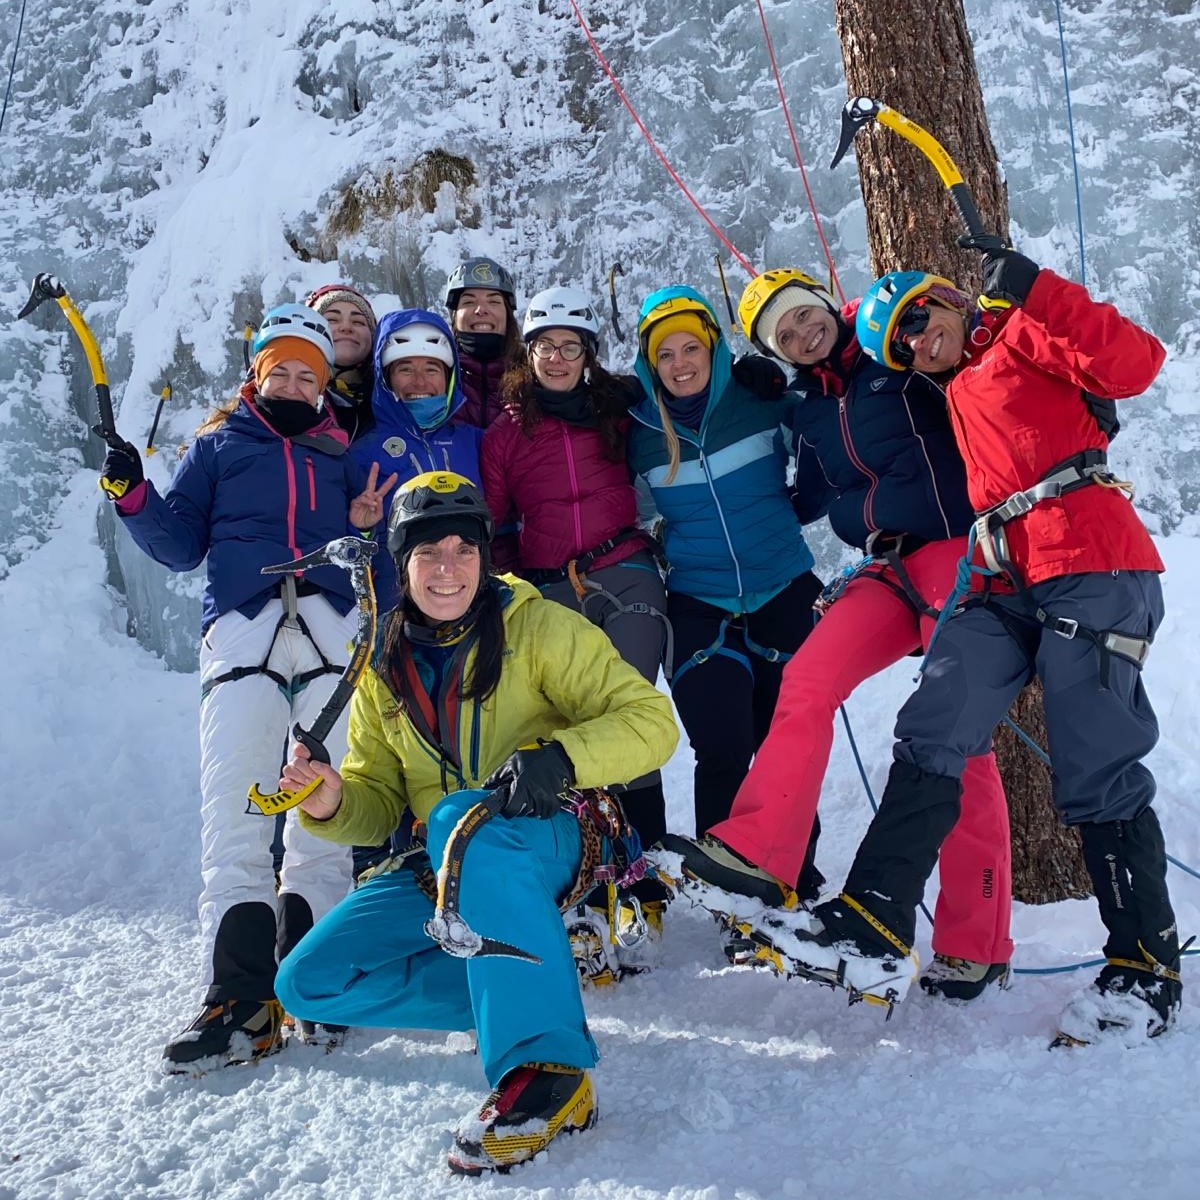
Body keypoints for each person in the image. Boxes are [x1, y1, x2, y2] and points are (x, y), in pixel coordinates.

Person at [727, 250, 1181, 1044]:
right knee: (934, 726)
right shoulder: (943, 388)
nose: (917, 343)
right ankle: (874, 917)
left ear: (947, 300)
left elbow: (1134, 364)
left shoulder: (1017, 336)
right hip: (1002, 577)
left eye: (919, 321)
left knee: (1095, 763)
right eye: (899, 345)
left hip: (1089, 556)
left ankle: (1145, 967)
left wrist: (1035, 291)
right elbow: (853, 429)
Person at [272, 471, 678, 1174]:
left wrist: (559, 757)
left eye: (465, 548)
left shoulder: (539, 626)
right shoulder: (383, 666)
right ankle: (528, 975)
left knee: (464, 816)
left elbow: (652, 723)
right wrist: (331, 802)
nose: (448, 567)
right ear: (403, 566)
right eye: (429, 552)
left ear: (488, 557)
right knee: (308, 980)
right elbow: (376, 796)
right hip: (444, 860)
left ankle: (551, 1073)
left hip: (552, 834)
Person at [657, 269, 1014, 1000]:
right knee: (807, 681)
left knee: (957, 741)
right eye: (782, 335)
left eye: (803, 317)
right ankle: (761, 853)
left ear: (828, 304)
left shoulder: (890, 354)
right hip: (885, 566)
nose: (800, 334)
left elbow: (964, 360)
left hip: (956, 549)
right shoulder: (812, 409)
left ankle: (976, 942)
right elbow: (811, 492)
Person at [98, 303, 397, 1071]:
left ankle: (314, 986)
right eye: (282, 370)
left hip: (332, 634)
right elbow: (177, 543)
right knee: (236, 809)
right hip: (242, 629)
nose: (295, 382)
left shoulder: (347, 454)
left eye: (309, 372)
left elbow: (384, 576)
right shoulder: (219, 447)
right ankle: (238, 1000)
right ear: (256, 375)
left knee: (320, 816)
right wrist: (131, 493)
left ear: (326, 383)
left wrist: (365, 529)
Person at [482, 285, 672, 982]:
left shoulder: (616, 410)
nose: (557, 358)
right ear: (526, 355)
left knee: (629, 714)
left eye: (570, 346)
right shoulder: (505, 431)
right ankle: (588, 875)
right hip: (549, 583)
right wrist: (512, 587)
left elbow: (684, 395)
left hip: (623, 569)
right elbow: (493, 518)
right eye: (544, 347)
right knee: (566, 723)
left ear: (588, 354)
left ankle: (644, 871)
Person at [625, 286, 825, 898]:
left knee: (786, 749)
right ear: (648, 364)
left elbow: (828, 442)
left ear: (715, 349)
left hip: (785, 590)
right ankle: (729, 888)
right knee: (721, 747)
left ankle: (794, 873)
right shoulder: (638, 435)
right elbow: (628, 513)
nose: (681, 363)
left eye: (692, 348)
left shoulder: (763, 405)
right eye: (666, 354)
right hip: (698, 602)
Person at [444, 256, 522, 430]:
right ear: (454, 317)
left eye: (493, 301)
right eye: (469, 301)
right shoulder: (437, 376)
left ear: (508, 315)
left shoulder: (534, 379)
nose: (481, 310)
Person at [305, 283, 378, 441]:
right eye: (332, 319)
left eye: (358, 322)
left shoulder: (394, 396)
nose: (346, 327)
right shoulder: (287, 392)